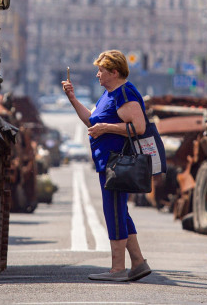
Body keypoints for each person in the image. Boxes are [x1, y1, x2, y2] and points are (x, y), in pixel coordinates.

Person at [62, 50, 152, 282]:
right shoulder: (109, 94)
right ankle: (139, 263)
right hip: (108, 164)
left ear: (114, 72)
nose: (97, 74)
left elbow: (138, 127)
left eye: (101, 70)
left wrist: (106, 128)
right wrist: (72, 99)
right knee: (120, 211)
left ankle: (117, 269)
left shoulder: (124, 93)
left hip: (117, 163)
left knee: (113, 213)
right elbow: (92, 119)